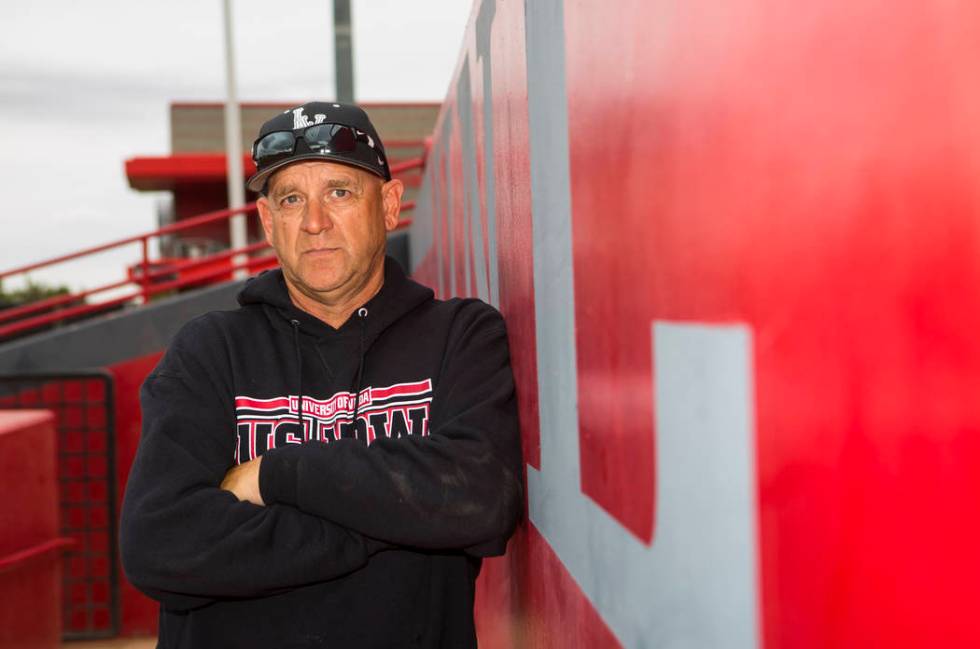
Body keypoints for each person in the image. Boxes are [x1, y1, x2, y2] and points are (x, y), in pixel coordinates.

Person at [119, 101, 523, 648]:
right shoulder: (209, 350)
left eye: (339, 192)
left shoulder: (460, 335)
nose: (314, 222)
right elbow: (160, 542)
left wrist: (277, 476)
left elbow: (480, 498)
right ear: (267, 222)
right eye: (291, 199)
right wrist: (397, 522)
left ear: (388, 205)